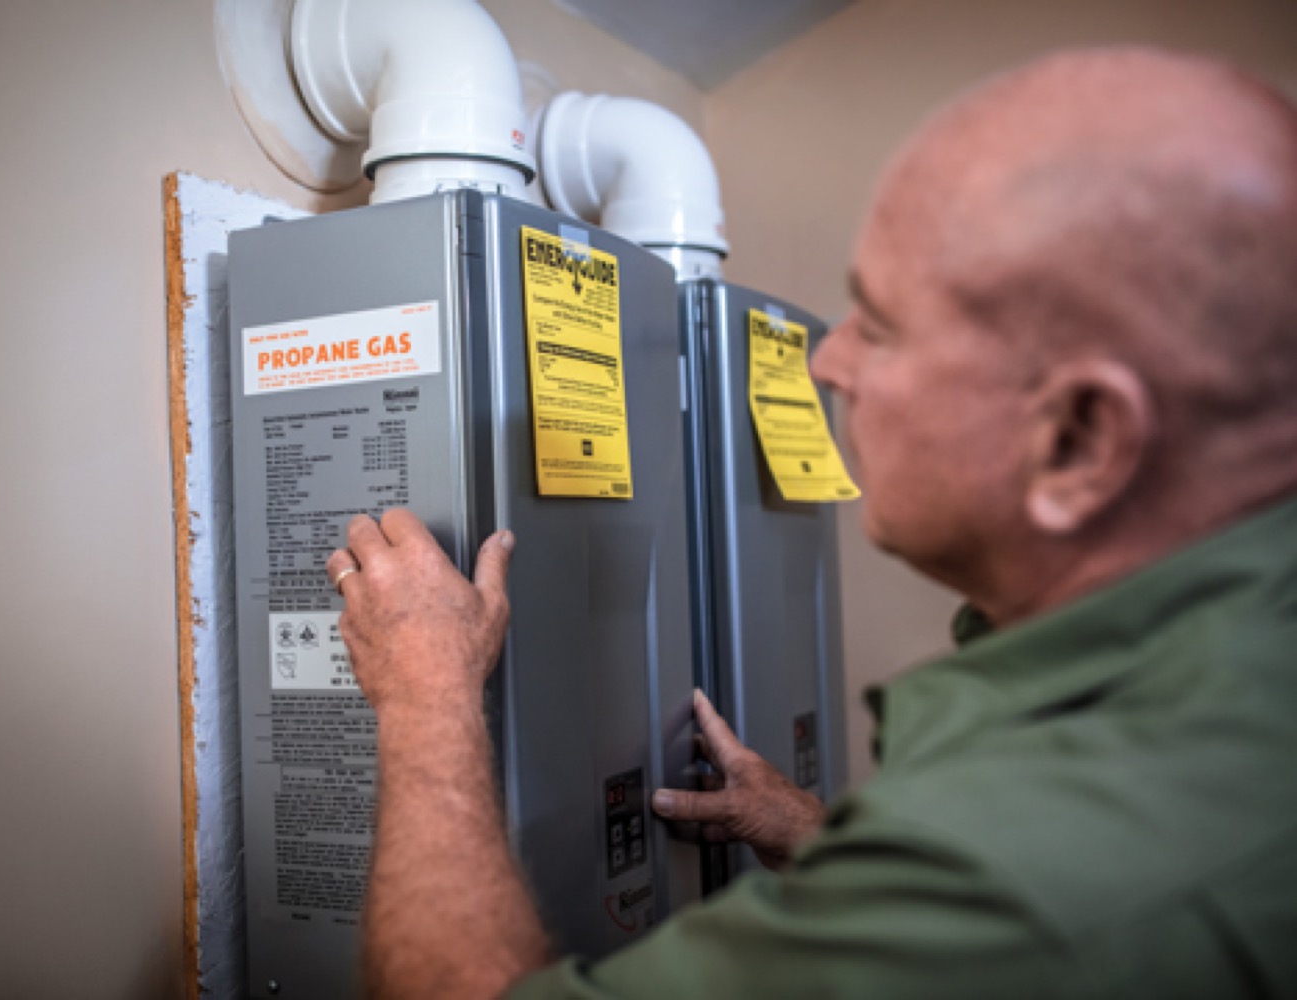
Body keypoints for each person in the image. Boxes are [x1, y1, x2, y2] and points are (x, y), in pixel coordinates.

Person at [324, 46, 1297, 998]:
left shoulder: (1021, 887)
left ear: (1079, 440)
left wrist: (426, 696)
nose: (830, 366)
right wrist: (831, 846)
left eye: (881, 324)